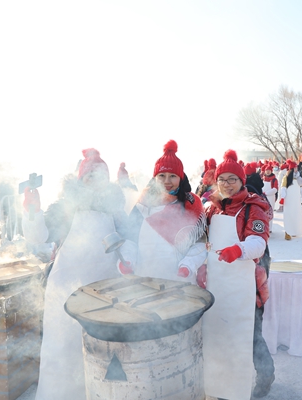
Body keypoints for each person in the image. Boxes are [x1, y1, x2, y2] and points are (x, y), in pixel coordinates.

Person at [21, 148, 127, 400]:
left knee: (101, 355)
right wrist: (32, 211)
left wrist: (129, 259)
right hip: (65, 291)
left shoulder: (115, 210)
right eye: (90, 176)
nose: (95, 180)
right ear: (80, 179)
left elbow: (130, 241)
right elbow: (38, 237)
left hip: (104, 294)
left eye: (100, 175)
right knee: (62, 353)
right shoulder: (65, 207)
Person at [200, 149, 275, 399]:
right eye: (222, 179)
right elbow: (201, 240)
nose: (227, 184)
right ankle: (222, 384)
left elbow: (258, 243)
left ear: (242, 181)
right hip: (218, 282)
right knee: (221, 332)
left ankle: (265, 376)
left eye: (233, 179)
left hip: (248, 283)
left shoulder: (253, 207)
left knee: (250, 334)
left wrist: (238, 249)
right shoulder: (211, 208)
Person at [118, 140, 207, 282]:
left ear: (180, 178)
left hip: (180, 282)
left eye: (173, 176)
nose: (167, 181)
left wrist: (188, 266)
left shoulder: (191, 205)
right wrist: (127, 260)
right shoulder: (142, 204)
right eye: (162, 176)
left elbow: (200, 244)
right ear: (155, 178)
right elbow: (130, 240)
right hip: (145, 280)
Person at [279, 160, 302, 240]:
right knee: (288, 215)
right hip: (289, 200)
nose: (296, 169)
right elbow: (283, 188)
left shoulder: (299, 178)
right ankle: (287, 231)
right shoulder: (286, 178)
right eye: (294, 168)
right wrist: (282, 198)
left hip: (296, 200)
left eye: (296, 168)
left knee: (296, 215)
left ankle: (295, 230)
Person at [262, 163, 279, 232]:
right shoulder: (262, 178)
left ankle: (269, 228)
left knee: (270, 213)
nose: (268, 171)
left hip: (271, 197)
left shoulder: (274, 180)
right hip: (263, 197)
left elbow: (275, 189)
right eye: (266, 170)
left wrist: (266, 193)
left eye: (269, 170)